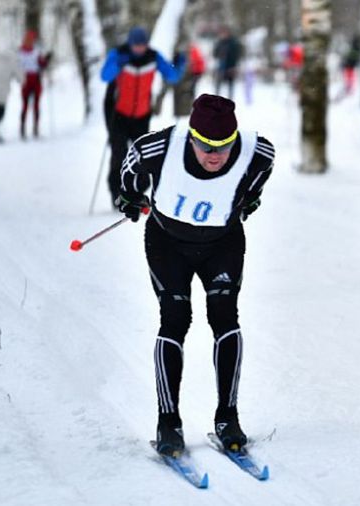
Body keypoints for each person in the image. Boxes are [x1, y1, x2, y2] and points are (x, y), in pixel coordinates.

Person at [115, 94, 275, 456]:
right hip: (167, 243)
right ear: (191, 137)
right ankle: (168, 421)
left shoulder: (255, 151)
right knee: (175, 320)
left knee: (224, 318)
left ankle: (227, 417)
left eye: (223, 146)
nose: (215, 155)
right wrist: (128, 197)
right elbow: (130, 165)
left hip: (223, 243)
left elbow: (264, 168)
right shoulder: (159, 147)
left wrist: (249, 197)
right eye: (205, 146)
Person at [101, 27, 184, 205]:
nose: (139, 48)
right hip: (120, 116)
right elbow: (104, 76)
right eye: (136, 45)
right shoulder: (118, 54)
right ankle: (116, 194)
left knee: (142, 157)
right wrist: (117, 64)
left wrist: (178, 65)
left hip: (141, 116)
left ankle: (136, 193)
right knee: (119, 155)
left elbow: (172, 76)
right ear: (130, 43)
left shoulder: (153, 57)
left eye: (143, 45)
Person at [19, 30, 52, 139]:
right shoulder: (20, 52)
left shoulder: (36, 52)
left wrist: (47, 60)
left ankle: (36, 128)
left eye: (31, 40)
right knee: (25, 105)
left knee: (36, 105)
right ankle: (23, 128)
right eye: (28, 39)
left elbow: (42, 64)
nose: (29, 42)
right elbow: (17, 66)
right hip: (26, 80)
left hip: (36, 80)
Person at [213, 27, 241, 100]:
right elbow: (215, 53)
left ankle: (230, 99)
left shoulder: (233, 43)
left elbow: (236, 55)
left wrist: (234, 66)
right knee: (218, 84)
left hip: (230, 66)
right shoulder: (219, 43)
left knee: (230, 84)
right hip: (221, 66)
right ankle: (217, 99)